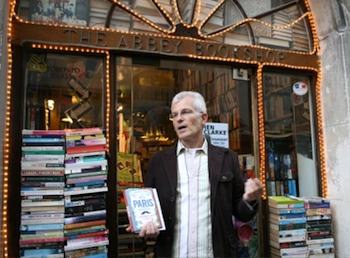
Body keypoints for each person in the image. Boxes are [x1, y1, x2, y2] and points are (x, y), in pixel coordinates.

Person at [138, 91, 262, 257]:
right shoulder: (158, 162)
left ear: (204, 118)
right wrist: (147, 225)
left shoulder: (227, 158)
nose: (179, 119)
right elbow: (147, 210)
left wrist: (249, 199)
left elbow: (241, 213)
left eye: (186, 112)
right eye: (174, 115)